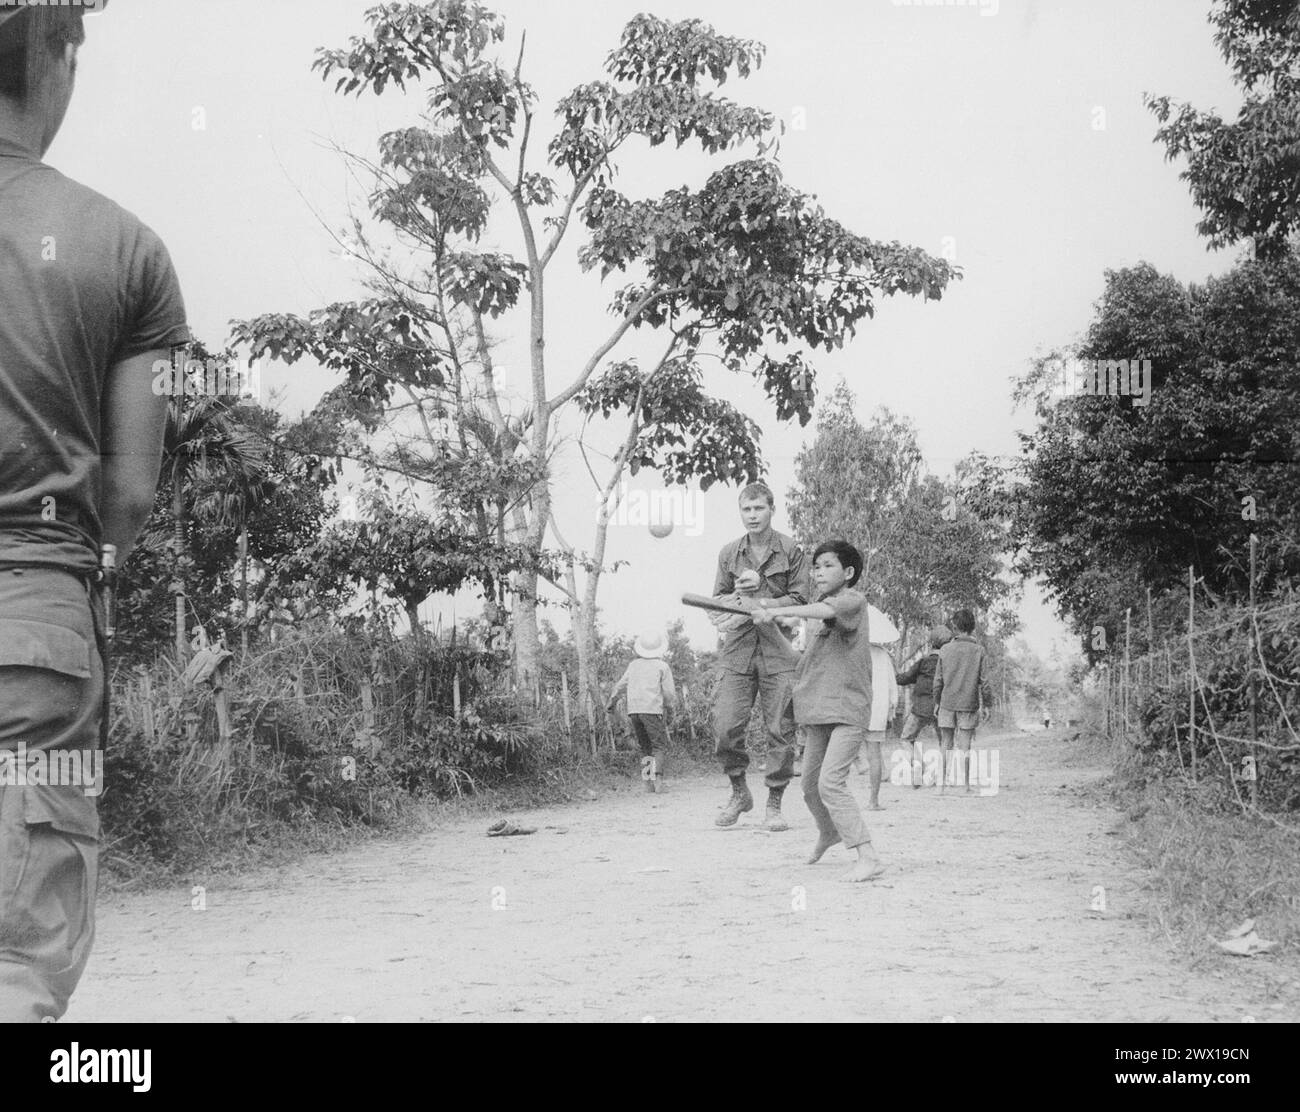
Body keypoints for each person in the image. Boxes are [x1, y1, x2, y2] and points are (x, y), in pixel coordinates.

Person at [0, 0, 189, 1022]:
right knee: (17, 949)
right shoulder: (125, 247)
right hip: (35, 615)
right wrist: (87, 570)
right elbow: (130, 490)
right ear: (57, 56)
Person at [753, 540, 885, 883]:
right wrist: (769, 627)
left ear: (848, 572)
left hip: (847, 710)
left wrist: (778, 609)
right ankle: (829, 832)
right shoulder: (816, 623)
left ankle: (868, 855)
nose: (819, 571)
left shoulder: (853, 601)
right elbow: (800, 662)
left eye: (828, 565)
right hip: (818, 712)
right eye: (816, 566)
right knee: (810, 786)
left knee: (830, 783)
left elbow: (823, 610)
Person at [710, 482, 809, 830]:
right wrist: (735, 598)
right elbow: (717, 602)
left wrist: (763, 599)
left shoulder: (791, 549)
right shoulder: (728, 554)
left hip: (777, 649)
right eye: (746, 510)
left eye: (758, 509)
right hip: (737, 648)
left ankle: (775, 803)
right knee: (725, 726)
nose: (752, 516)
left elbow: (801, 602)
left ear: (772, 509)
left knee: (779, 728)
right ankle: (739, 791)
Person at [606, 631, 677, 793]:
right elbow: (668, 694)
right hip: (652, 710)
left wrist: (612, 700)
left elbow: (620, 685)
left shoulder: (634, 665)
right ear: (659, 649)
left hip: (634, 711)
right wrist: (670, 709)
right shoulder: (662, 666)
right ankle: (658, 782)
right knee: (659, 745)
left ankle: (647, 783)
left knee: (645, 747)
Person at [931, 609, 988, 794]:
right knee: (965, 746)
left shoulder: (945, 650)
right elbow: (984, 682)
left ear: (955, 627)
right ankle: (965, 785)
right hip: (968, 704)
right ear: (972, 627)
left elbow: (938, 681)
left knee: (945, 745)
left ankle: (941, 787)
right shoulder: (979, 650)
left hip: (947, 703)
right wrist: (987, 704)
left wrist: (937, 702)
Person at [895, 625, 951, 788]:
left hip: (920, 708)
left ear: (932, 642)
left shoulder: (924, 661)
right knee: (946, 742)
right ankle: (939, 777)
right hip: (942, 708)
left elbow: (905, 678)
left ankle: (918, 766)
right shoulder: (949, 663)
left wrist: (895, 675)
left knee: (906, 739)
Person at [857, 640, 898, 810]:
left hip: (854, 708)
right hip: (876, 711)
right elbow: (892, 685)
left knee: (842, 751)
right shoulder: (883, 654)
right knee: (874, 755)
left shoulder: (853, 649)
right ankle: (873, 801)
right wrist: (892, 707)